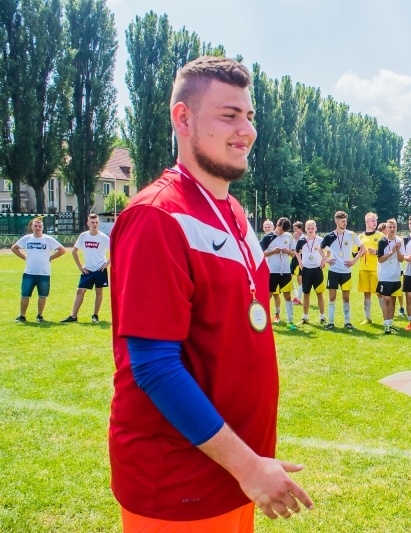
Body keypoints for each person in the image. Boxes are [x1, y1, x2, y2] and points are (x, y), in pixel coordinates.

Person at [108, 56, 313, 531]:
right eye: (229, 115)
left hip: (237, 471)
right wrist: (247, 466)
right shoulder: (157, 216)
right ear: (183, 119)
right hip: (180, 482)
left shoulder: (235, 213)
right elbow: (155, 367)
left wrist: (248, 465)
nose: (247, 129)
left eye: (249, 115)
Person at [11, 216, 67, 323]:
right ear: (32, 227)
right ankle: (22, 316)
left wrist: (51, 257)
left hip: (44, 273)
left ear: (43, 227)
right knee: (25, 295)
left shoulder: (48, 239)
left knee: (42, 295)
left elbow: (62, 250)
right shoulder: (27, 238)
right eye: (35, 226)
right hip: (29, 272)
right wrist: (24, 257)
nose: (37, 228)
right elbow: (14, 248)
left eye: (39, 226)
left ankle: (40, 315)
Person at [61, 213, 111, 323]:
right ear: (88, 223)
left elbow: (115, 251)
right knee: (80, 291)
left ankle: (95, 315)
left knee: (98, 291)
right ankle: (73, 316)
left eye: (96, 222)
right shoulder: (83, 236)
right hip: (87, 269)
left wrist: (106, 264)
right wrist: (80, 267)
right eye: (92, 222)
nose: (95, 224)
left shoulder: (103, 237)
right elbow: (74, 251)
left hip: (100, 269)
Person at [320, 210, 365, 330]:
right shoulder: (330, 236)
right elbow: (320, 248)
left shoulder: (351, 234)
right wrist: (326, 259)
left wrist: (354, 261)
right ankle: (330, 322)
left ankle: (347, 322)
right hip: (333, 271)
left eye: (346, 221)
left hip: (346, 272)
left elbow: (363, 248)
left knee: (346, 297)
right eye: (343, 221)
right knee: (332, 297)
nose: (345, 223)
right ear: (336, 221)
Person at [261, 217, 297, 330]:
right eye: (280, 230)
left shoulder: (289, 236)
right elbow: (261, 254)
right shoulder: (268, 237)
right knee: (268, 295)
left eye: (284, 231)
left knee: (287, 295)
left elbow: (293, 254)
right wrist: (273, 251)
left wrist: (289, 251)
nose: (282, 232)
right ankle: (264, 320)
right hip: (271, 271)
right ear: (277, 225)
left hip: (285, 271)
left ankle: (290, 321)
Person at [295, 219, 327, 325]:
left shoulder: (320, 240)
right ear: (305, 229)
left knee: (320, 294)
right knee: (306, 294)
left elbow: (329, 249)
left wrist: (324, 260)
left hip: (317, 270)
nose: (310, 230)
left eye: (312, 228)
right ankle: (305, 317)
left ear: (316, 228)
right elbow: (296, 251)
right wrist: (300, 261)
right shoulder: (302, 240)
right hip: (306, 270)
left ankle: (322, 317)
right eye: (308, 228)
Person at [376, 218, 404, 334]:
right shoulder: (382, 242)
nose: (392, 229)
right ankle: (386, 325)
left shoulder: (400, 241)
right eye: (390, 227)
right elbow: (380, 259)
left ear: (396, 228)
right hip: (385, 275)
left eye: (394, 227)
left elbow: (401, 259)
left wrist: (397, 251)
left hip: (395, 275)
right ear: (386, 228)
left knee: (393, 301)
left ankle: (390, 324)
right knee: (386, 300)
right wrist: (391, 252)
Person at [357, 212, 384, 324]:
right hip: (363, 269)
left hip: (376, 269)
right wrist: (361, 253)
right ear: (366, 222)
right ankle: (367, 318)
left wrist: (376, 252)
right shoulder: (360, 237)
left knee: (380, 293)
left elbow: (386, 251)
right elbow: (354, 253)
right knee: (366, 293)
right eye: (373, 220)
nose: (375, 222)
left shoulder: (380, 236)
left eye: (375, 221)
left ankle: (385, 318)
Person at [290, 221, 305, 304]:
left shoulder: (304, 238)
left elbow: (302, 250)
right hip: (294, 259)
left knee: (300, 280)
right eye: (293, 229)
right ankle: (296, 296)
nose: (294, 231)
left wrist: (297, 240)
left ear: (300, 229)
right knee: (288, 278)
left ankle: (298, 299)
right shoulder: (293, 238)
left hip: (301, 259)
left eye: (295, 229)